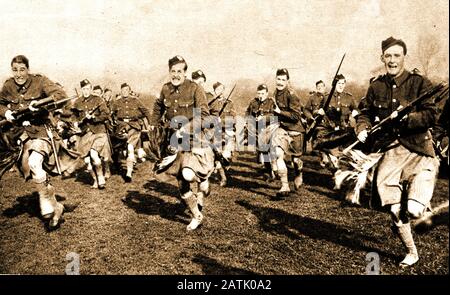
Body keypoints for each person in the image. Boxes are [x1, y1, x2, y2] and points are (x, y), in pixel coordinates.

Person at [355, 37, 440, 267]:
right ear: (382, 58)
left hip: (419, 150)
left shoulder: (419, 83)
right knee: (394, 209)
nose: (392, 60)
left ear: (404, 57)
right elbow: (363, 113)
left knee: (412, 210)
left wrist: (406, 119)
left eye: (396, 56)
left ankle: (420, 202)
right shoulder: (376, 86)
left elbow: (432, 115)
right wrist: (362, 128)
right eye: (388, 56)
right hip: (391, 153)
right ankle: (411, 252)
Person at [0, 55, 72, 229]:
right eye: (15, 70)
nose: (19, 74)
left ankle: (46, 205)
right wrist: (5, 113)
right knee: (34, 171)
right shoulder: (8, 85)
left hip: (40, 132)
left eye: (22, 69)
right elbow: (0, 104)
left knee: (34, 163)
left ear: (28, 69)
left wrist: (40, 104)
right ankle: (57, 207)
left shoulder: (40, 81)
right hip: (21, 136)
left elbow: (60, 95)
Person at [149, 55, 214, 231]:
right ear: (169, 72)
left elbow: (205, 116)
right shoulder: (165, 89)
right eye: (173, 71)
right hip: (173, 141)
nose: (176, 75)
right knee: (181, 180)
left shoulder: (195, 89)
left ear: (185, 73)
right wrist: (153, 124)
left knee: (187, 174)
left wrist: (186, 128)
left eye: (179, 71)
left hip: (194, 138)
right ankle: (196, 215)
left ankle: (203, 182)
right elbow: (158, 107)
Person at [68, 79, 111, 189]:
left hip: (98, 132)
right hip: (84, 134)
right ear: (81, 90)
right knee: (87, 161)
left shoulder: (98, 100)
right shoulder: (77, 102)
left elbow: (106, 114)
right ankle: (95, 180)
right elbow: (73, 115)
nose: (86, 91)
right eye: (84, 89)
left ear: (91, 89)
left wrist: (94, 118)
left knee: (94, 155)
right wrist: (75, 122)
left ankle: (101, 178)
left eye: (88, 89)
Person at [270, 68, 305, 198]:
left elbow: (296, 116)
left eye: (283, 80)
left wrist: (280, 112)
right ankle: (284, 186)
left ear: (287, 81)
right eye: (278, 79)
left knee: (296, 160)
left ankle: (299, 173)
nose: (280, 82)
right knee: (278, 154)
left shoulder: (292, 95)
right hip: (282, 129)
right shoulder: (274, 94)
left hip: (295, 129)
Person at [315, 74, 359, 169]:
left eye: (343, 83)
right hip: (331, 132)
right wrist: (319, 112)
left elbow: (356, 109)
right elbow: (318, 110)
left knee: (344, 157)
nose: (341, 85)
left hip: (344, 131)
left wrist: (355, 112)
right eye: (339, 83)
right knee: (333, 159)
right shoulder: (327, 97)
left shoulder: (349, 98)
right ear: (334, 84)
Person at [110, 83, 152, 182]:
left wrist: (150, 123)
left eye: (126, 90)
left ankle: (128, 173)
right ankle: (118, 163)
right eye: (123, 90)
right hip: (121, 127)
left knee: (130, 149)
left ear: (129, 91)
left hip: (134, 127)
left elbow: (146, 111)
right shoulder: (117, 102)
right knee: (118, 148)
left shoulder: (136, 101)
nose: (124, 92)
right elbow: (111, 114)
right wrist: (113, 123)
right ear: (120, 91)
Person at [245, 84, 277, 180]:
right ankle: (269, 170)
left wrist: (264, 118)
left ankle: (275, 168)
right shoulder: (253, 102)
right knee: (264, 152)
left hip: (270, 129)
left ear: (267, 93)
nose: (260, 95)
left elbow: (275, 116)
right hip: (258, 130)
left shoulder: (271, 102)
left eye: (263, 93)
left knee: (272, 150)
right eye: (259, 93)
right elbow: (247, 113)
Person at [208, 82, 237, 186]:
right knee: (217, 154)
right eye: (217, 89)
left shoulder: (229, 103)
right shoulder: (210, 103)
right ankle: (223, 177)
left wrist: (222, 120)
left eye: (221, 89)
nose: (220, 91)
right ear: (214, 91)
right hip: (215, 132)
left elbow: (233, 118)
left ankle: (225, 168)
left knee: (226, 155)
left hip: (227, 131)